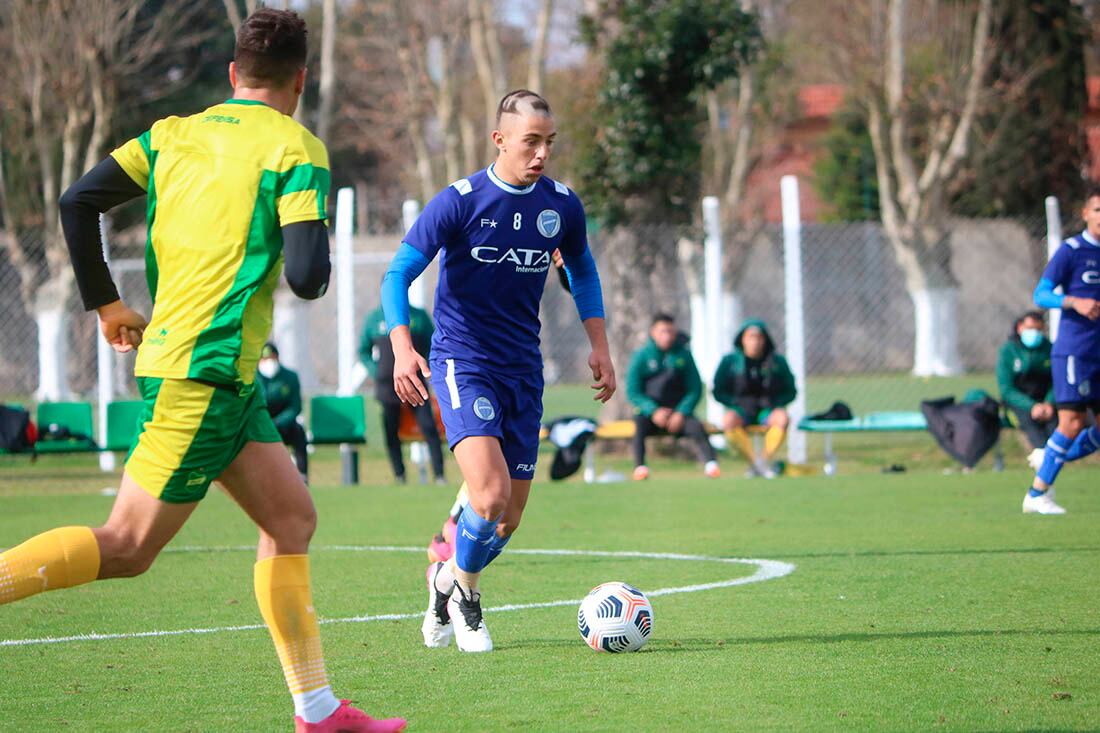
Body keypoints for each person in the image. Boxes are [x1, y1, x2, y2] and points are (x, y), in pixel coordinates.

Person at [0, 10, 405, 732]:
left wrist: (105, 304)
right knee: (125, 545)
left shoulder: (171, 134)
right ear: (301, 80)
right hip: (206, 372)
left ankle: (317, 709)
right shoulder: (296, 147)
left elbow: (76, 200)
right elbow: (310, 277)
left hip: (210, 373)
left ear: (232, 76)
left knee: (291, 519)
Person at [381, 89, 615, 653]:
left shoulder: (561, 205)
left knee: (507, 518)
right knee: (487, 496)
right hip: (462, 361)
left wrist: (599, 345)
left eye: (549, 143)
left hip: (522, 369)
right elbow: (397, 274)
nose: (540, 154)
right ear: (500, 139)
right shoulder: (460, 201)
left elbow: (581, 268)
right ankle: (467, 597)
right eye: (530, 142)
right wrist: (402, 346)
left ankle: (444, 577)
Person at [1024, 185, 1100, 514]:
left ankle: (1052, 454)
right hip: (1075, 351)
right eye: (1098, 210)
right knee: (1072, 421)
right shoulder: (1072, 251)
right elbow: (1041, 294)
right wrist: (1073, 301)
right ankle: (1037, 494)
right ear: (1085, 214)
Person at [626, 313, 720, 481]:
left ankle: (711, 465)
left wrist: (681, 412)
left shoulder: (683, 355)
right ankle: (640, 467)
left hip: (678, 414)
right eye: (663, 331)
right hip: (651, 415)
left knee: (697, 427)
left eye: (670, 331)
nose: (667, 336)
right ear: (653, 333)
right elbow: (633, 391)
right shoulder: (641, 356)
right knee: (639, 425)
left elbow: (695, 389)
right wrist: (653, 411)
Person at [359, 304, 446, 484]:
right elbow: (363, 350)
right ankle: (400, 475)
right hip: (387, 386)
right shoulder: (374, 319)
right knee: (391, 431)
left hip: (415, 382)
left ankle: (439, 475)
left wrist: (425, 366)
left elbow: (433, 344)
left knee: (429, 427)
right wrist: (376, 371)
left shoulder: (419, 317)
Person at [712, 319, 797, 479]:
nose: (755, 342)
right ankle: (755, 463)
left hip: (767, 411)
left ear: (765, 340)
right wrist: (732, 403)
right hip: (742, 410)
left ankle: (764, 460)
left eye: (759, 337)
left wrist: (777, 403)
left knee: (782, 418)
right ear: (742, 339)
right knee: (728, 420)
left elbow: (791, 391)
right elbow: (718, 390)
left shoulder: (776, 362)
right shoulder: (730, 362)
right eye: (751, 337)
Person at [996, 311, 1056, 454]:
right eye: (1030, 328)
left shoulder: (1050, 349)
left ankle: (1056, 458)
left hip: (1046, 402)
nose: (1033, 333)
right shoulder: (1008, 351)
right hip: (1020, 403)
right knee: (1033, 430)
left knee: (1056, 430)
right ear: (1020, 328)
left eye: (1038, 329)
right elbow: (1006, 389)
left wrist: (1049, 402)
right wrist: (1031, 406)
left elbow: (1057, 382)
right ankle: (1042, 456)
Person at [257, 342, 311, 484]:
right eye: (265, 359)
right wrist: (265, 424)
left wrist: (278, 423)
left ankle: (302, 476)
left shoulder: (289, 377)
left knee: (298, 432)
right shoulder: (253, 378)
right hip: (260, 425)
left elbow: (295, 407)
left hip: (283, 425)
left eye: (272, 358)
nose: (268, 363)